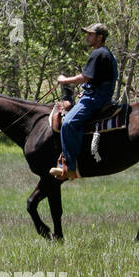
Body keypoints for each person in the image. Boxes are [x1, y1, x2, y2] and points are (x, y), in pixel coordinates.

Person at [51, 23, 118, 181]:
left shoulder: (98, 53)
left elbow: (85, 77)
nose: (87, 37)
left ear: (99, 37)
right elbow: (96, 79)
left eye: (90, 34)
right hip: (97, 94)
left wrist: (64, 80)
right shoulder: (104, 52)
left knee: (68, 123)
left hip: (96, 98)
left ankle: (69, 167)